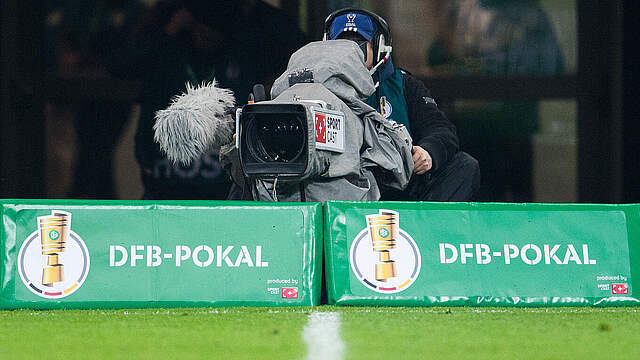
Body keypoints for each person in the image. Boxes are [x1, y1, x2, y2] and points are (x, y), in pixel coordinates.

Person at [106, 0, 306, 199]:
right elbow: (119, 66)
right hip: (164, 185)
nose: (206, 37)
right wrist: (169, 29)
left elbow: (299, 57)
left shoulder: (249, 48)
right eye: (202, 29)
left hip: (224, 188)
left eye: (213, 32)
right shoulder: (165, 45)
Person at [324, 8, 480, 201]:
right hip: (343, 187)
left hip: (401, 184)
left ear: (378, 46)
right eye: (341, 45)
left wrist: (428, 152)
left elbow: (441, 129)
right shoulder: (317, 90)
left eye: (359, 45)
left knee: (464, 165)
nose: (349, 52)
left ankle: (428, 231)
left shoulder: (405, 85)